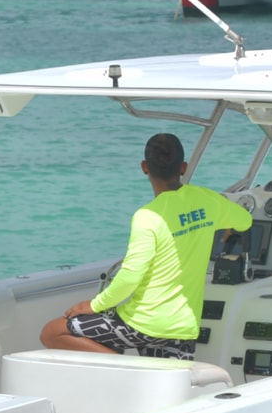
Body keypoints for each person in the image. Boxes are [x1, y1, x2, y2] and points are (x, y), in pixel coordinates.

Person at [42, 132, 253, 359]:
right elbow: (245, 220)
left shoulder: (148, 216)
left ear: (144, 167)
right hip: (183, 327)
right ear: (183, 167)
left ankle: (123, 367)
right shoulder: (208, 201)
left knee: (52, 332)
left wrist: (94, 305)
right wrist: (230, 229)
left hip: (143, 324)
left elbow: (130, 278)